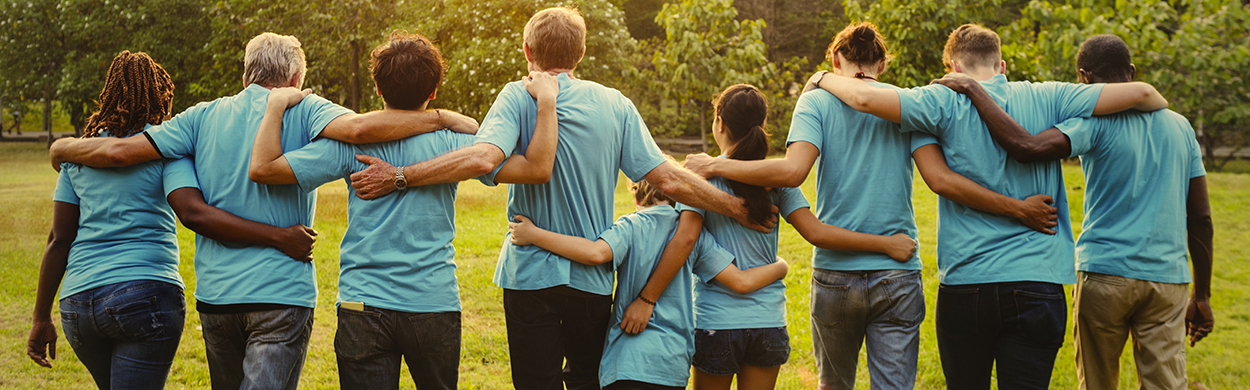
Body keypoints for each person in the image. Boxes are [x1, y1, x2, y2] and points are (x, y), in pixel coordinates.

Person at [346, 8, 770, 390]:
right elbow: (670, 181)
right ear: (581, 53)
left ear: (527, 50)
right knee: (586, 380)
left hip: (530, 274)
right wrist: (737, 208)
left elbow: (481, 157)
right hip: (592, 276)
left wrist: (399, 176)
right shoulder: (614, 104)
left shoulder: (517, 95)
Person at [48, 33, 478, 390]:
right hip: (282, 292)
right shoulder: (308, 108)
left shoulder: (199, 118)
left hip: (217, 296)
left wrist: (64, 147)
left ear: (245, 74)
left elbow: (124, 154)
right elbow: (361, 128)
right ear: (295, 78)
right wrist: (440, 118)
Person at [683, 24, 1060, 390]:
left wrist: (714, 164)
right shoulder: (905, 104)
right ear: (882, 65)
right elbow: (938, 178)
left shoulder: (816, 101)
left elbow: (792, 171)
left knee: (832, 384)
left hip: (835, 276)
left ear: (835, 60)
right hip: (896, 272)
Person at [810, 24, 1169, 389]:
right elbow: (1142, 93)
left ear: (952, 67)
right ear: (1002, 65)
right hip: (1037, 281)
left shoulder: (939, 100)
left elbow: (866, 100)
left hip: (968, 283)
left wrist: (822, 77)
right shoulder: (1051, 96)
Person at [248, 32, 562, 390]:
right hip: (433, 301)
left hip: (361, 303)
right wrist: (545, 105)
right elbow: (535, 167)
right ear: (433, 90)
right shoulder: (457, 143)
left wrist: (275, 108)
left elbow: (265, 168)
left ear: (378, 89)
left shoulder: (350, 147)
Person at [930, 34, 1214, 390]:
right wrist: (1201, 295)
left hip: (1105, 271)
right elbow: (1201, 219)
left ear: (1084, 77)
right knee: (1167, 384)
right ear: (1132, 71)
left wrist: (973, 90)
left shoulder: (1092, 122)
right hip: (1168, 279)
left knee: (1097, 383)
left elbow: (1027, 146)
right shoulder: (1181, 127)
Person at [26, 50, 318, 390]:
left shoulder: (80, 154)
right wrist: (279, 236)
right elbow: (192, 212)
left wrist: (40, 316)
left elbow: (59, 239)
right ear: (160, 94)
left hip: (78, 304)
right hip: (144, 294)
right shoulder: (166, 148)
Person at [508, 179, 786, 390]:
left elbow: (596, 253)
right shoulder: (693, 233)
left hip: (626, 362)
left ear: (636, 193)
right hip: (671, 364)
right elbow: (739, 281)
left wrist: (534, 234)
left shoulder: (631, 225)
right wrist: (780, 267)